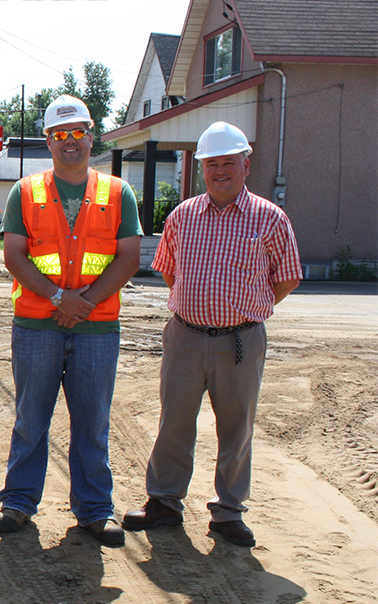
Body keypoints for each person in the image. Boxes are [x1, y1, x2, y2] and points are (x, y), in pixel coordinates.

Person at [122, 121, 301, 547]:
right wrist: (197, 308)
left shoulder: (270, 218)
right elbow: (167, 269)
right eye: (212, 163)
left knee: (236, 427)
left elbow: (287, 278)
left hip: (241, 341)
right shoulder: (183, 216)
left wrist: (246, 309)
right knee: (174, 423)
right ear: (201, 167)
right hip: (185, 336)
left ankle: (228, 512)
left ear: (245, 164)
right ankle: (164, 502)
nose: (220, 170)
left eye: (228, 162)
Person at [0, 94, 142, 547]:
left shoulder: (118, 192)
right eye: (60, 135)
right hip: (36, 326)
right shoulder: (26, 191)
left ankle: (95, 510)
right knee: (29, 419)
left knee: (92, 422)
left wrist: (84, 301)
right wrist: (59, 296)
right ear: (48, 142)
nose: (69, 142)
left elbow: (128, 257)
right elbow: (13, 255)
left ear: (91, 136)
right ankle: (18, 502)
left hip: (97, 330)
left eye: (77, 132)